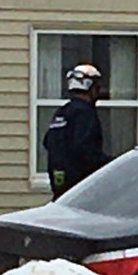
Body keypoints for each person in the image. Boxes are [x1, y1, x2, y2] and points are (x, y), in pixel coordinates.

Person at [43, 63, 113, 199]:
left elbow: (47, 142)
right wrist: (111, 164)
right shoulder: (85, 113)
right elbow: (86, 149)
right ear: (89, 86)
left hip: (59, 186)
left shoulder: (63, 112)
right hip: (81, 188)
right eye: (97, 86)